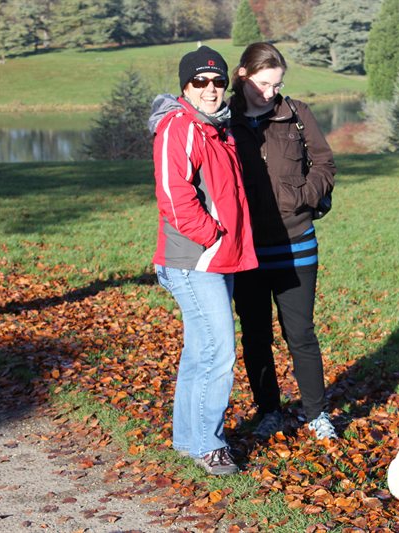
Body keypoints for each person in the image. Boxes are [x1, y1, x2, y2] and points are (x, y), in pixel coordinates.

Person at [150, 46, 257, 475]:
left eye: (217, 81)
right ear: (185, 86)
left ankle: (189, 438)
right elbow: (174, 197)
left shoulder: (217, 128)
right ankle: (209, 444)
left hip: (215, 258)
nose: (211, 89)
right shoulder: (180, 126)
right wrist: (212, 237)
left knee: (200, 351)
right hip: (195, 260)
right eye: (201, 81)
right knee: (219, 351)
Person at [228, 43, 338, 440]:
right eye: (262, 84)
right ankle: (269, 410)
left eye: (276, 84)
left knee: (301, 334)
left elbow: (325, 164)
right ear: (243, 76)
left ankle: (316, 414)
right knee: (256, 334)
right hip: (246, 249)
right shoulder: (225, 120)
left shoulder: (297, 114)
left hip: (296, 243)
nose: (271, 92)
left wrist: (302, 197)